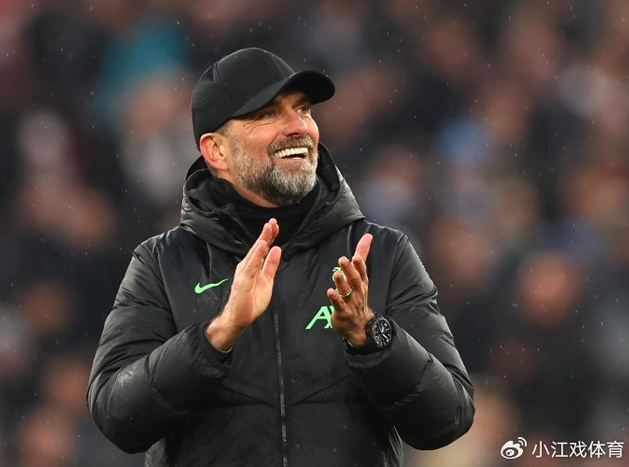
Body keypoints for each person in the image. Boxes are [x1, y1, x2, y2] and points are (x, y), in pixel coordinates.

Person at [87, 47, 475, 467]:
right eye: (268, 114)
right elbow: (117, 416)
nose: (298, 127)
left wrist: (371, 336)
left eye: (303, 109)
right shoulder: (163, 263)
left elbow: (447, 417)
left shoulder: (381, 252)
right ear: (216, 151)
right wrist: (216, 335)